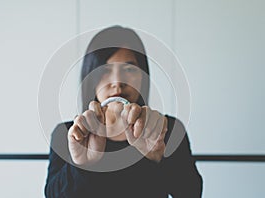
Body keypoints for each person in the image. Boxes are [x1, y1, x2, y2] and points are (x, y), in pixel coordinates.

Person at [45, 26, 203, 198]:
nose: (117, 82)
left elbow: (191, 193)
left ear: (144, 76)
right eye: (105, 70)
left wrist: (158, 158)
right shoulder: (70, 134)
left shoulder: (166, 129)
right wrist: (80, 164)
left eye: (129, 69)